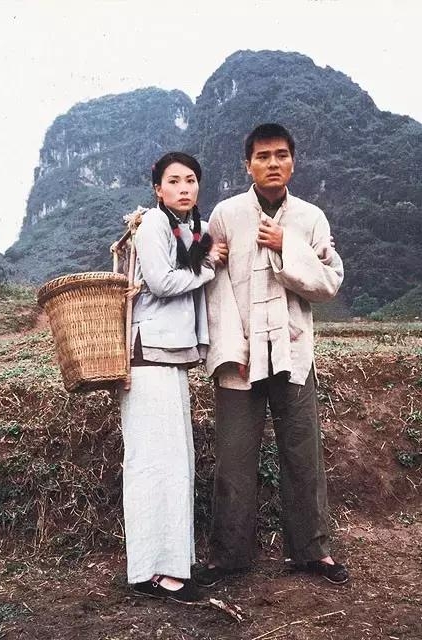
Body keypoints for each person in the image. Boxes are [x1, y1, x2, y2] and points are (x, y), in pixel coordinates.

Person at [195, 123, 349, 586]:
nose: (273, 163)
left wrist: (288, 247)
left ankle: (313, 551)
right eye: (262, 156)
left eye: (281, 154)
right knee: (234, 458)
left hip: (293, 353)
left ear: (293, 162)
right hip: (240, 357)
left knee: (303, 453)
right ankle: (228, 557)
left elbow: (329, 282)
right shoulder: (225, 215)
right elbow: (216, 287)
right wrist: (229, 350)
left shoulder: (310, 218)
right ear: (248, 165)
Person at [119, 152, 221, 603]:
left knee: (172, 462)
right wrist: (208, 267)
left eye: (191, 180)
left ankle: (169, 566)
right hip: (149, 356)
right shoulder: (154, 225)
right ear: (158, 189)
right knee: (155, 464)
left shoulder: (190, 228)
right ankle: (154, 572)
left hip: (170, 357)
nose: (184, 187)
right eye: (174, 180)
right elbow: (161, 283)